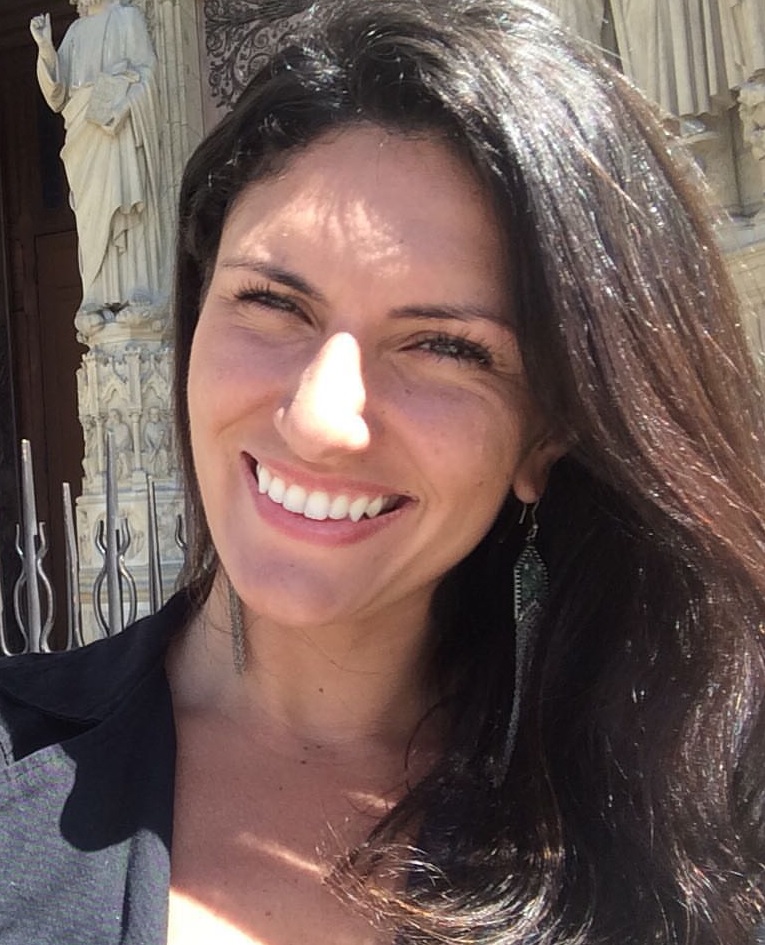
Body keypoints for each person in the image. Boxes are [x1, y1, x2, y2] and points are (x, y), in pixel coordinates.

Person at [1, 1, 764, 943]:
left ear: (546, 435)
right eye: (272, 301)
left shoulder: (695, 848)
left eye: (445, 345)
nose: (320, 421)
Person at [30, 0, 166, 314]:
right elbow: (57, 96)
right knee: (90, 217)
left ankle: (136, 290)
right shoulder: (75, 32)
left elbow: (148, 74)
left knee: (123, 204)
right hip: (83, 134)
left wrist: (124, 108)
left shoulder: (127, 18)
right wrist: (45, 48)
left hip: (116, 129)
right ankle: (96, 294)